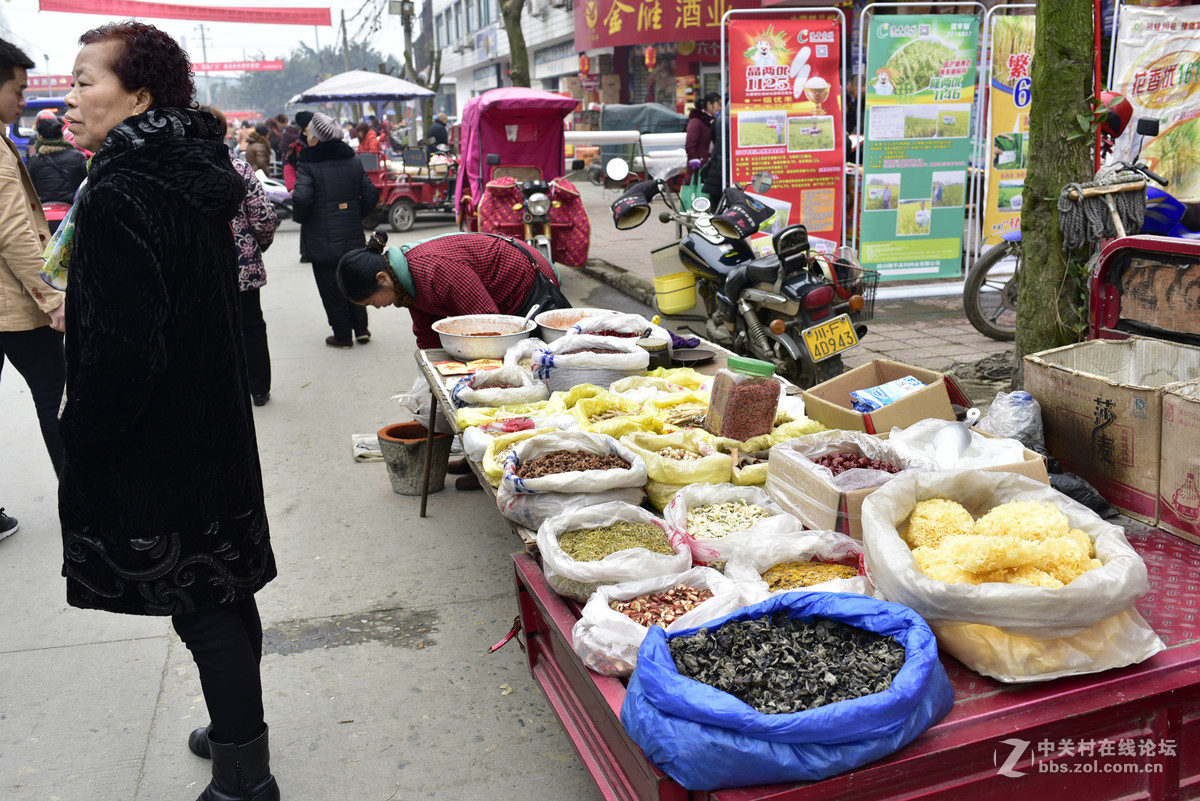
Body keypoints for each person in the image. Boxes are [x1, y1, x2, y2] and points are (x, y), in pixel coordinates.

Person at [58, 21, 279, 800]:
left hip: (162, 440)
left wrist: (79, 436)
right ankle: (235, 728)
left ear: (139, 95)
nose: (70, 93)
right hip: (210, 421)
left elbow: (124, 351)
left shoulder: (123, 188)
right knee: (224, 589)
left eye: (87, 79)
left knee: (204, 606)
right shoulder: (188, 169)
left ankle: (244, 776)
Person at [337, 229, 566, 490]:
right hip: (494, 306)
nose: (376, 307)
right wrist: (436, 377)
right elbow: (427, 333)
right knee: (465, 386)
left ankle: (495, 462)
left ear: (383, 278)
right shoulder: (405, 284)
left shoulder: (434, 270)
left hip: (525, 285)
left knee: (501, 387)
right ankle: (475, 455)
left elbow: (487, 332)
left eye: (371, 301)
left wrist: (470, 379)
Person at [0, 38, 66, 540]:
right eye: (18, 90)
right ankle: (83, 497)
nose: (23, 101)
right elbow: (14, 232)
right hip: (13, 306)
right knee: (57, 394)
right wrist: (51, 298)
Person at [201, 104, 279, 407]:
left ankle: (223, 392)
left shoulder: (181, 171)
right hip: (241, 266)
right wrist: (257, 247)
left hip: (200, 269)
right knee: (251, 326)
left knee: (210, 329)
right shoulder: (239, 168)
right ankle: (259, 389)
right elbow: (263, 218)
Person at [292, 111, 378, 348]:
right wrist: (354, 214)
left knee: (331, 287)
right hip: (352, 234)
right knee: (354, 279)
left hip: (321, 238)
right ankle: (361, 328)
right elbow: (371, 194)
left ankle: (342, 335)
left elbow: (301, 199)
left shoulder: (308, 162)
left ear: (317, 137)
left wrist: (303, 219)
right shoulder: (352, 159)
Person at [27, 116, 88, 205]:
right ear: (61, 135)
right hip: (73, 207)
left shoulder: (34, 161)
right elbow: (86, 184)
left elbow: (32, 189)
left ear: (40, 137)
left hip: (45, 208)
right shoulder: (78, 157)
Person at [685, 92, 719, 182]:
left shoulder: (711, 121)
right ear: (709, 104)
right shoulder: (696, 121)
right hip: (699, 167)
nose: (720, 108)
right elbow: (690, 142)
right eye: (718, 104)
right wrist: (693, 158)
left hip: (710, 165)